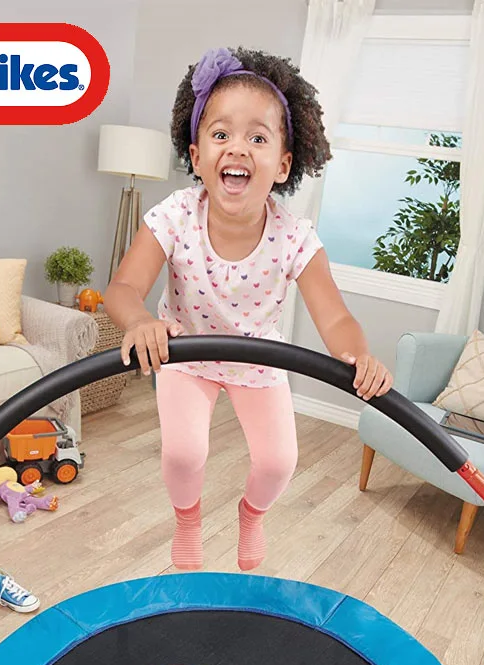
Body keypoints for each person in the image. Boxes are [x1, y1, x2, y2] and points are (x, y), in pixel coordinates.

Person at [104, 46, 393, 573]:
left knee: (279, 462)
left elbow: (335, 317)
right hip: (186, 355)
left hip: (258, 361)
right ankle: (188, 520)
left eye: (257, 138)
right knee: (184, 454)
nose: (237, 147)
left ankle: (251, 514)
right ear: (196, 157)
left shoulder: (295, 237)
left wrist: (359, 355)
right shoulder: (175, 216)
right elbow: (122, 287)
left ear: (283, 165)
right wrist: (141, 321)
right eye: (221, 134)